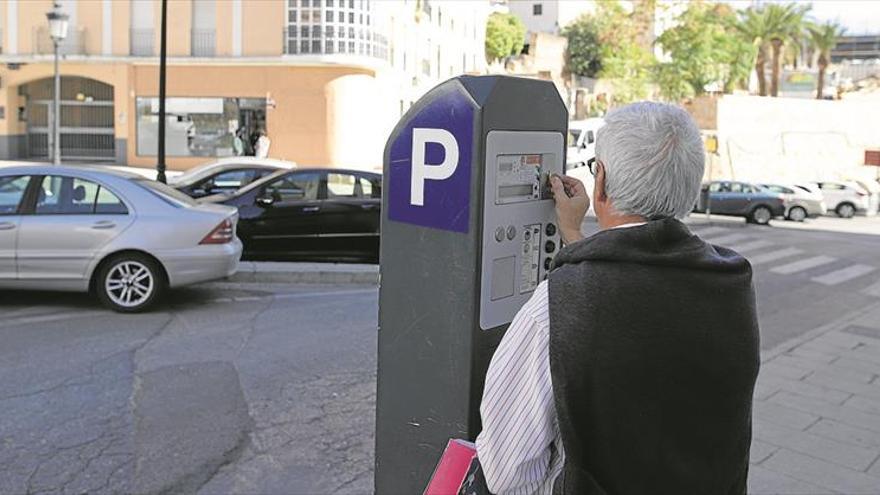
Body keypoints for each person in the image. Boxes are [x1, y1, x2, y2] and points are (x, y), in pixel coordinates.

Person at [475, 102, 760, 495]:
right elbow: (641, 292)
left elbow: (508, 471)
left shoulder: (554, 307)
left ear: (601, 180)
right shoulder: (730, 283)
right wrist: (574, 234)